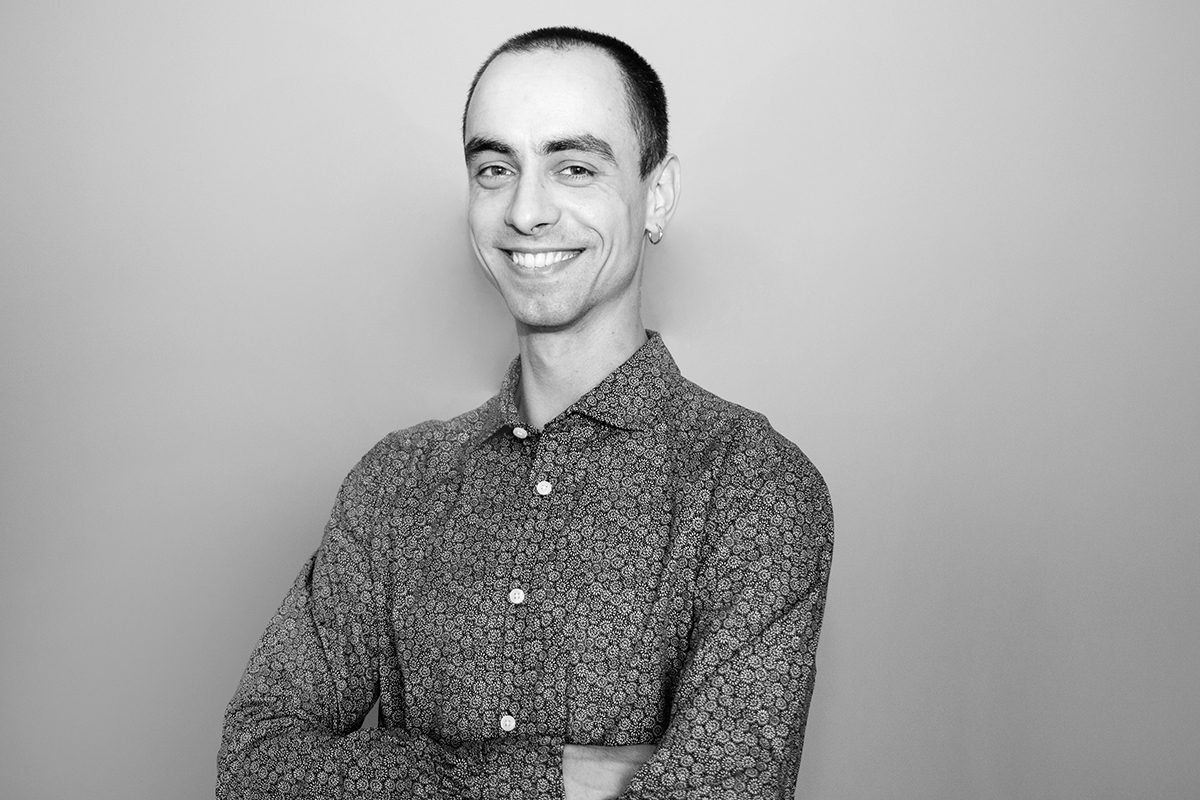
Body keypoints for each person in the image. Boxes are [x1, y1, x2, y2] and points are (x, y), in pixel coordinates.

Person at [217, 26, 833, 800]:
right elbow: (254, 764)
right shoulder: (394, 483)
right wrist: (563, 778)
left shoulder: (754, 486)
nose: (527, 211)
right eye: (495, 169)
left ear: (658, 196)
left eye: (575, 167)